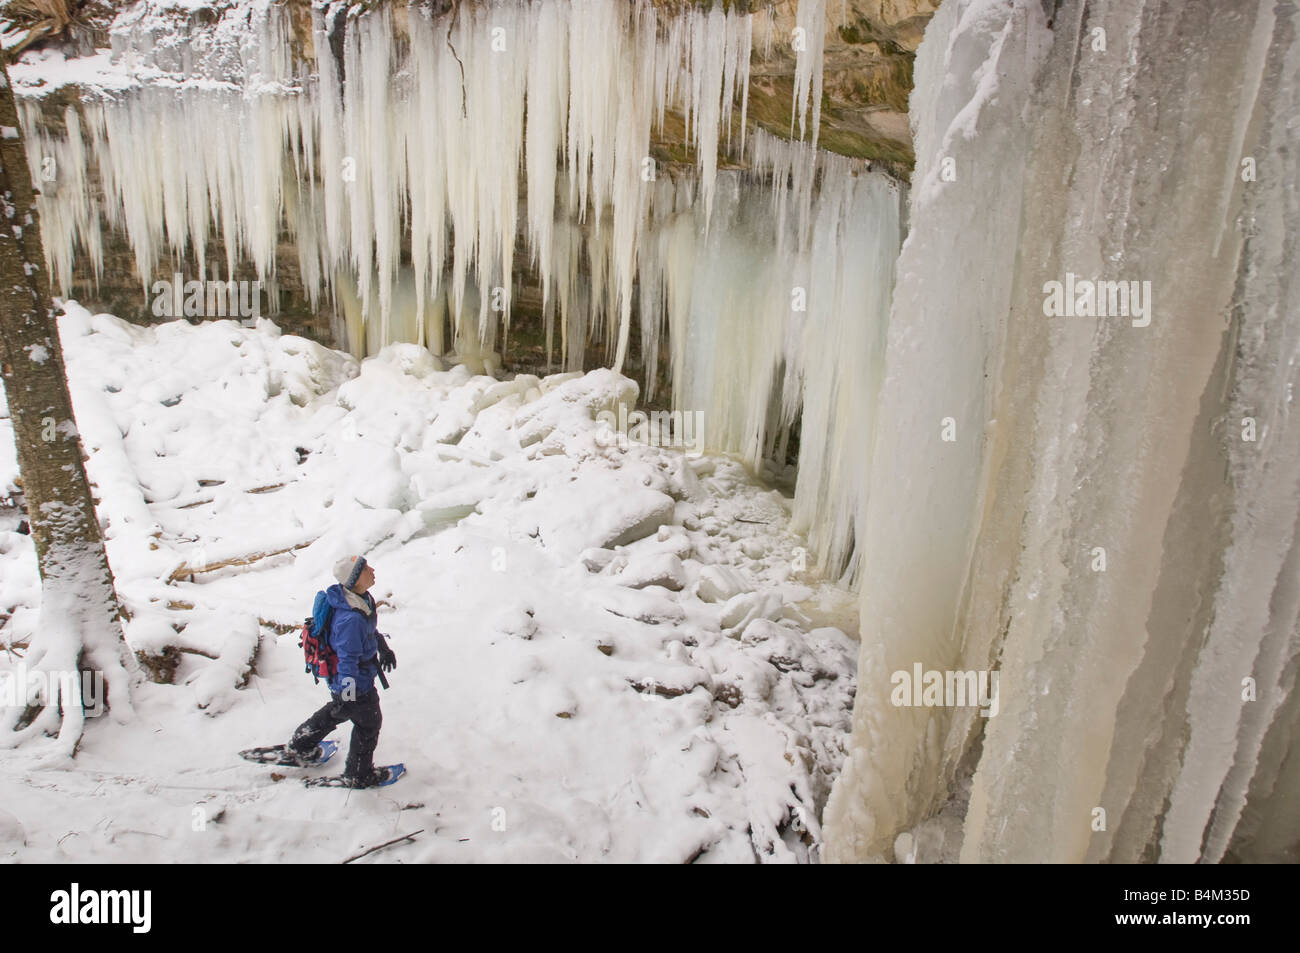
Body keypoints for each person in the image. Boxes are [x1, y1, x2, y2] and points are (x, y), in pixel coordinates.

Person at [287, 554, 397, 787]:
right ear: (355, 579)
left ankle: (301, 744)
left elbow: (368, 632)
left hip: (351, 680)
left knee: (340, 710)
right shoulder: (350, 618)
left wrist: (383, 648)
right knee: (368, 723)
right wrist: (349, 690)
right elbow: (347, 657)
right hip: (353, 681)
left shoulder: (359, 600)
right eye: (367, 568)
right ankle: (358, 774)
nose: (373, 570)